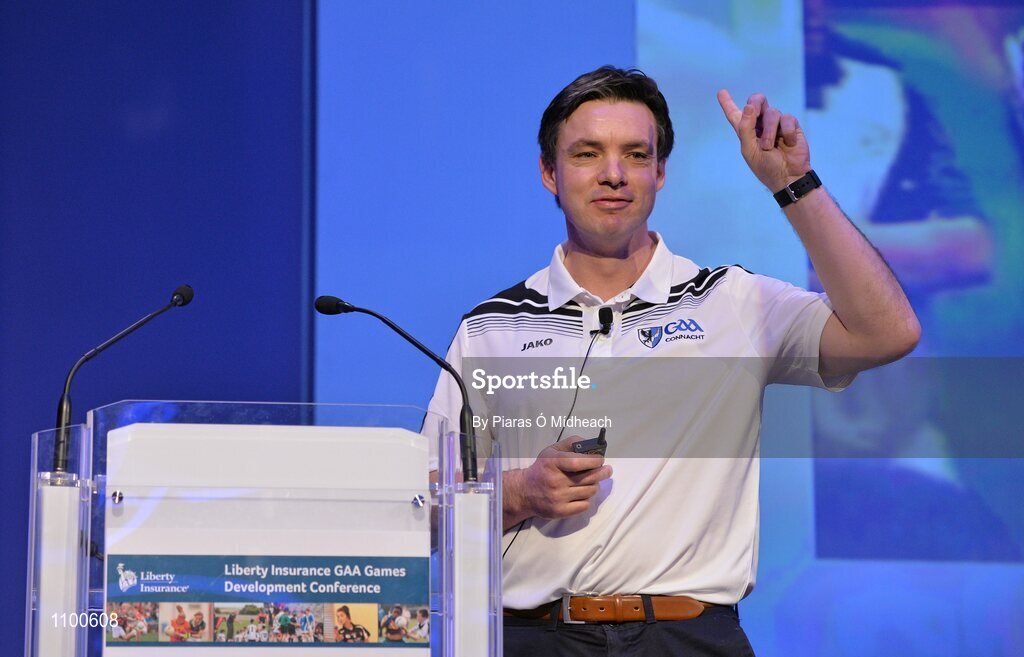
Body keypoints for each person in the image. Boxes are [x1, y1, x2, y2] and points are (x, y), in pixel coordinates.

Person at [424, 66, 919, 656]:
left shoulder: (732, 301)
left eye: (636, 154)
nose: (614, 174)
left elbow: (887, 332)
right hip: (532, 637)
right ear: (549, 173)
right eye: (587, 154)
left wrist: (795, 184)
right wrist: (521, 493)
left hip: (687, 638)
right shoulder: (491, 328)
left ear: (660, 173)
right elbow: (426, 508)